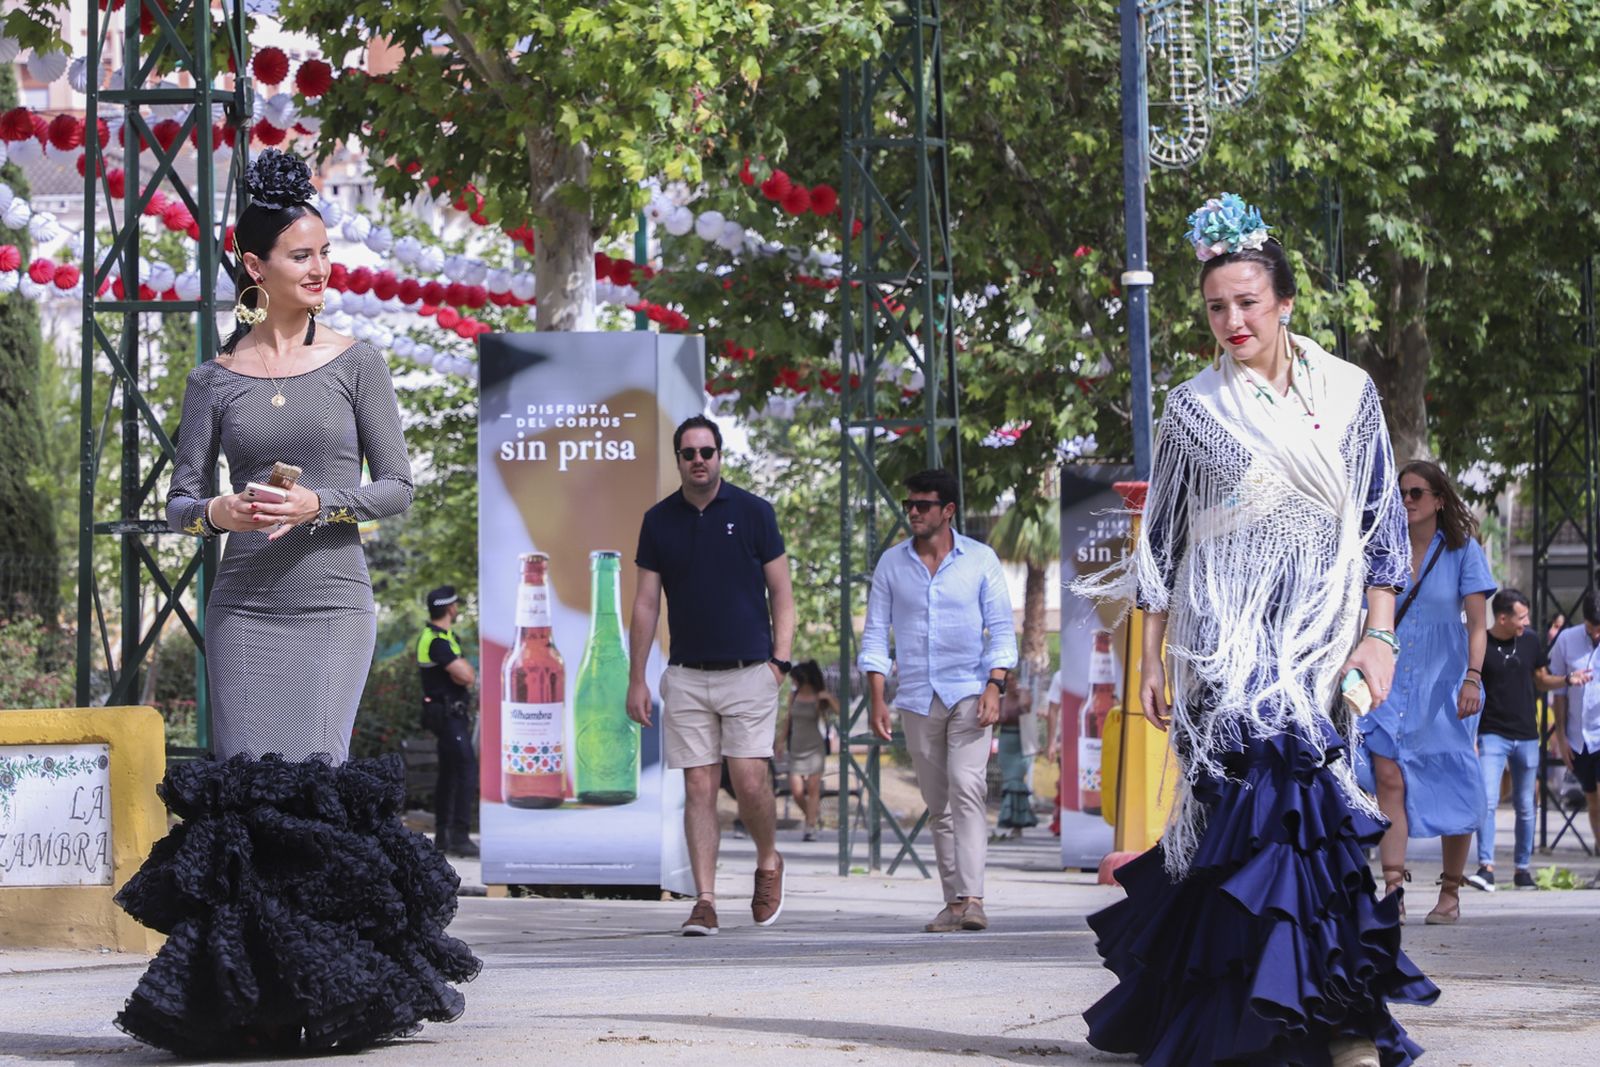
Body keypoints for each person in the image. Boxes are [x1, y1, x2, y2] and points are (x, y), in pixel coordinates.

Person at [114, 150, 478, 1055]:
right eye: (302, 255)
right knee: (246, 803)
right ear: (254, 268)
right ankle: (255, 1002)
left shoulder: (360, 362)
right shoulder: (214, 380)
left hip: (331, 608)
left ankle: (335, 992)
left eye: (325, 253)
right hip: (243, 608)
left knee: (313, 791)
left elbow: (397, 486)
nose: (322, 269)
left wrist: (324, 501)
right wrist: (221, 511)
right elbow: (179, 500)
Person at [1074, 194, 1436, 1067]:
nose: (1231, 320)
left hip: (1319, 643)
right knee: (1245, 806)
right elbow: (1159, 544)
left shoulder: (1351, 396)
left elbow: (1382, 530)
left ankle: (1337, 1018)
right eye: (1215, 307)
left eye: (1246, 302)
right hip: (1222, 648)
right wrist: (1150, 660)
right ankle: (1236, 1022)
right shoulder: (1193, 410)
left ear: (1283, 303)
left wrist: (1378, 638)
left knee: (1311, 816)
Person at [626, 415, 796, 936]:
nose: (698, 460)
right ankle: (705, 900)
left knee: (748, 781)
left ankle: (768, 860)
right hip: (687, 675)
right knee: (698, 786)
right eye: (689, 453)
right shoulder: (658, 521)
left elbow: (783, 596)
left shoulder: (754, 513)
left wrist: (779, 664)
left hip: (750, 673)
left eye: (707, 451)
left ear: (720, 456)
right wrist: (638, 677)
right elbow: (646, 604)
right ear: (678, 460)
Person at [861, 468, 1017, 933]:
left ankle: (974, 898)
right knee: (938, 801)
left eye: (923, 505)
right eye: (910, 504)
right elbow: (874, 636)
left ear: (947, 511)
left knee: (968, 787)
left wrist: (995, 684)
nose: (913, 512)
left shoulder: (980, 559)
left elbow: (1002, 630)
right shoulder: (891, 563)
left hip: (970, 691)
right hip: (915, 696)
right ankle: (955, 903)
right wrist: (877, 699)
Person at [1359, 460, 1493, 925]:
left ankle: (1451, 892)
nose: (1407, 501)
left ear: (1438, 499)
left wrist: (1473, 678)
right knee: (1387, 776)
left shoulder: (1463, 551)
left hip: (1444, 685)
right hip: (1390, 683)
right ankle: (1393, 888)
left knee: (1451, 777)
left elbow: (1479, 625)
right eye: (1401, 493)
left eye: (1416, 493)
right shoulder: (1382, 552)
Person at [1467, 589, 1582, 892]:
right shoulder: (1482, 644)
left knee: (1526, 806)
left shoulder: (1530, 641)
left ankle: (1522, 870)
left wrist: (1568, 680)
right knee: (1488, 801)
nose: (1526, 622)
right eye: (1522, 617)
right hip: (1491, 733)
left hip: (1527, 735)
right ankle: (1486, 867)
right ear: (1502, 617)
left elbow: (1541, 678)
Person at [419, 585, 480, 858]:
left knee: (449, 774)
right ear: (450, 608)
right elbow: (466, 676)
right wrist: (463, 671)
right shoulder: (437, 641)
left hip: (450, 716)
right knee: (466, 769)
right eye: (455, 604)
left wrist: (462, 671)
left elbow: (463, 673)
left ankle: (443, 836)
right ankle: (459, 836)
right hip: (448, 718)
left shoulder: (445, 637)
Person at [1544, 593, 1600, 866]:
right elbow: (1560, 692)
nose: (1597, 633)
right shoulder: (1567, 640)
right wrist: (1562, 738)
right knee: (1593, 801)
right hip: (1580, 737)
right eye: (1592, 627)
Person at [775, 659, 835, 841]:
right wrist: (780, 741)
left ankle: (810, 827)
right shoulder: (794, 696)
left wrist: (829, 698)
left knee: (813, 788)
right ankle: (813, 815)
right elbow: (788, 720)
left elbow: (839, 711)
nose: (793, 683)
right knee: (797, 791)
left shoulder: (819, 696)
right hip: (796, 747)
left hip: (815, 748)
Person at [994, 667, 1039, 839]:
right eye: (1007, 680)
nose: (1010, 683)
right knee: (1009, 783)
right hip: (1006, 743)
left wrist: (1020, 693)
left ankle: (1017, 824)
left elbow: (1025, 708)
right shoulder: (1001, 700)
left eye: (1013, 679)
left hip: (1022, 743)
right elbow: (997, 721)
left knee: (1016, 782)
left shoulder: (1024, 695)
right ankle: (1012, 823)